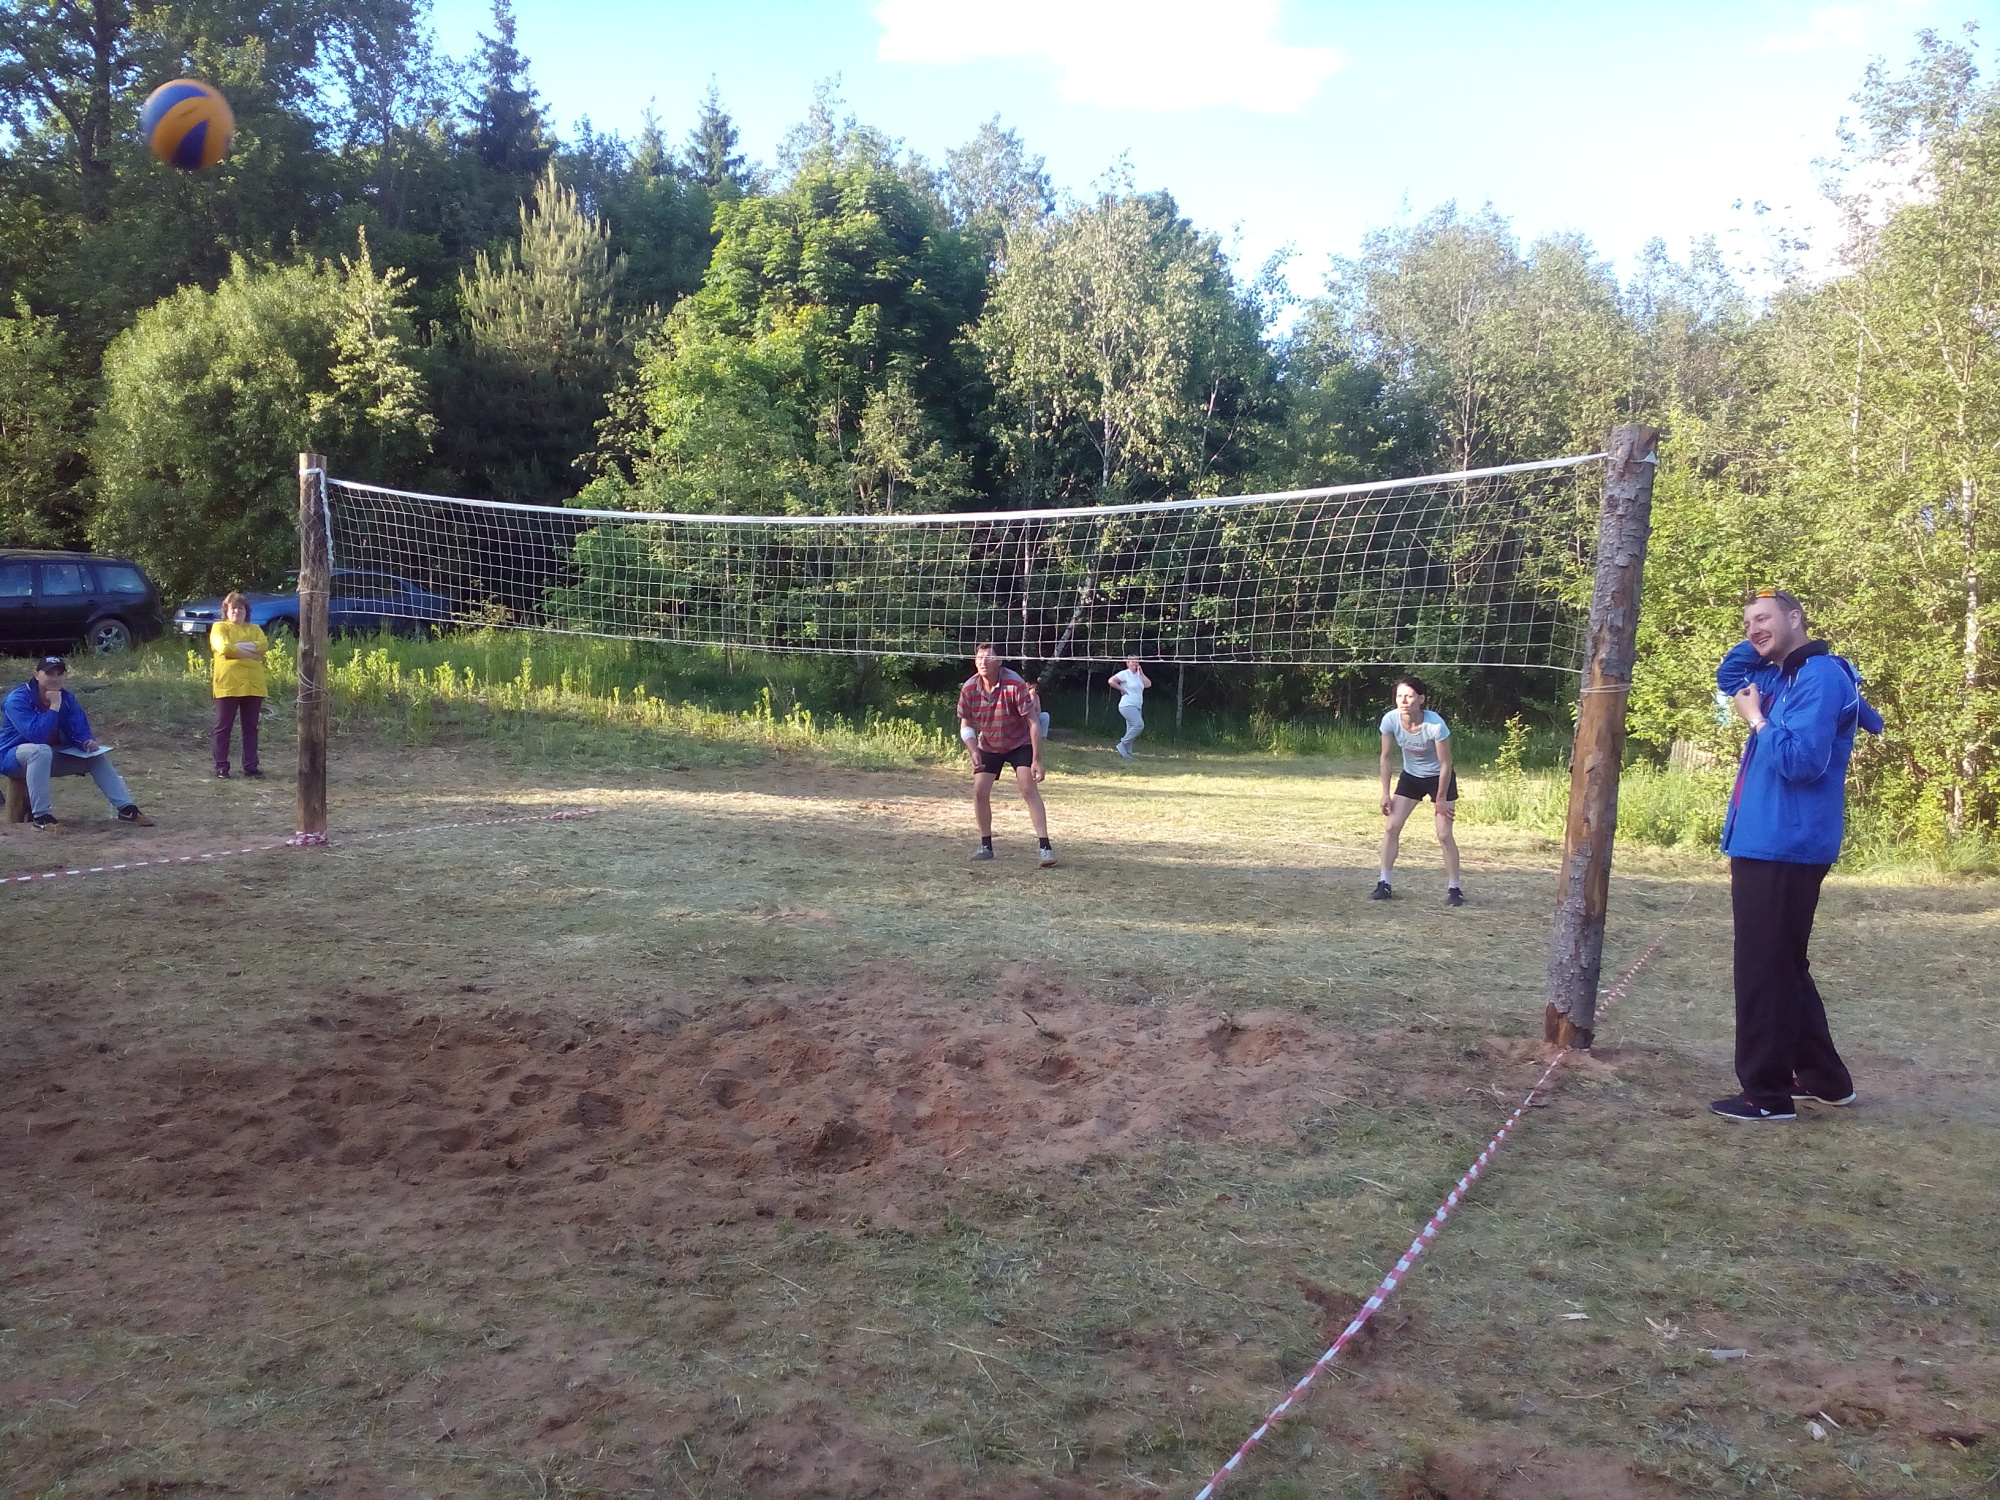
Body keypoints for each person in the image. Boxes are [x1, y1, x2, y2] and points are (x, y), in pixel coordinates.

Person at [1709, 589, 1882, 1123]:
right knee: (1783, 964)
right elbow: (1727, 676)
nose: (1753, 629)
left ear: (1796, 617)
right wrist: (1762, 642)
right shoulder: (1780, 674)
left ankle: (1766, 1095)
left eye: (1763, 618)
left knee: (1763, 970)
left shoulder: (1820, 677)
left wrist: (1756, 720)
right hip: (1764, 840)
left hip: (1786, 843)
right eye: (1747, 622)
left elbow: (1802, 762)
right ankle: (1826, 1080)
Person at [0, 655, 148, 829]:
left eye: (59, 674)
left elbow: (80, 728)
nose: (55, 678)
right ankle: (41, 818)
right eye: (49, 674)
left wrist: (86, 741)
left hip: (45, 757)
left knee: (94, 756)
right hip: (10, 757)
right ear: (36, 675)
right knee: (40, 750)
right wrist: (54, 707)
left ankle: (126, 809)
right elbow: (36, 735)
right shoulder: (17, 699)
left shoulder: (67, 698)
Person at [956, 642, 1055, 867]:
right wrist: (973, 751)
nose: (983, 662)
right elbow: (966, 725)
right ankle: (986, 846)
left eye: (988, 658)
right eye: (979, 658)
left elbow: (1033, 722)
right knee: (980, 790)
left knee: (1027, 787)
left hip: (1019, 742)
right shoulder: (970, 688)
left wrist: (1037, 760)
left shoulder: (1014, 683)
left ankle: (1045, 848)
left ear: (999, 661)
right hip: (989, 744)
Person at [1374, 675, 1463, 905]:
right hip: (1411, 777)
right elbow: (1386, 757)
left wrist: (1440, 799)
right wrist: (1385, 793)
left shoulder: (1435, 724)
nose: (1403, 701)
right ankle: (1384, 883)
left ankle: (1455, 888)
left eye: (1409, 696)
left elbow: (1446, 763)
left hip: (1439, 778)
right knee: (1391, 826)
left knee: (1444, 834)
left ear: (1421, 699)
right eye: (1399, 696)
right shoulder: (1390, 720)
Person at [209, 590, 269, 778]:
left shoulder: (255, 629)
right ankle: (221, 766)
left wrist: (235, 650)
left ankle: (251, 766)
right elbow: (223, 648)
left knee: (250, 728)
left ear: (246, 611)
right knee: (223, 726)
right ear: (226, 611)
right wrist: (252, 653)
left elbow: (264, 646)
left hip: (253, 684)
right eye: (233, 608)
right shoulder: (219, 627)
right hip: (228, 683)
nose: (237, 611)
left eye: (241, 608)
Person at [1107, 657, 1151, 758]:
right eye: (1132, 662)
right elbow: (1111, 681)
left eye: (1136, 661)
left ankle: (1127, 753)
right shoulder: (1125, 674)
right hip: (1127, 705)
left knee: (1131, 729)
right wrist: (1121, 689)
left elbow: (1148, 684)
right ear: (1128, 663)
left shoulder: (1139, 676)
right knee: (1139, 725)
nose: (1135, 663)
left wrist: (1141, 673)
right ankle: (1122, 744)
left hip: (1137, 706)